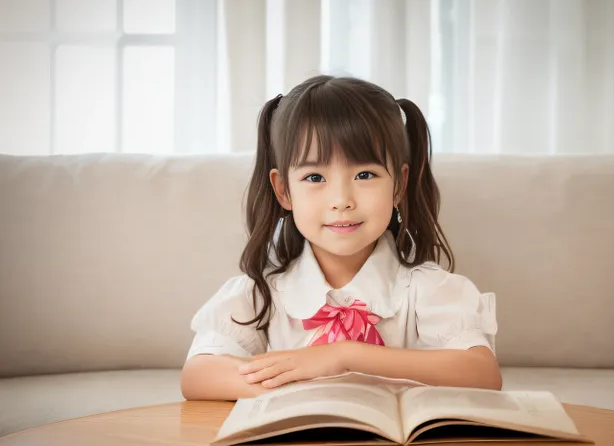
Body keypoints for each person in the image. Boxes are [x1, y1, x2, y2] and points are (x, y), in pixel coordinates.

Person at [180, 75, 502, 400]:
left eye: (365, 175)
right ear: (283, 190)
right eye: (315, 177)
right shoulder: (259, 295)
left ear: (399, 185)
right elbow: (199, 375)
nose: (341, 200)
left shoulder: (430, 290)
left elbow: (481, 372)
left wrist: (344, 357)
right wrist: (310, 387)